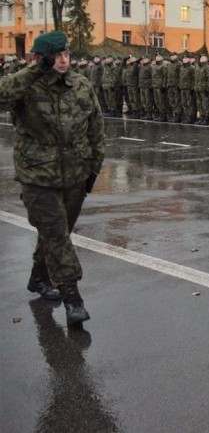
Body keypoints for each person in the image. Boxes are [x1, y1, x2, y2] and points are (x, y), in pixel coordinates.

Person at [0, 31, 105, 325]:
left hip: (74, 174)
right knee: (57, 233)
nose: (63, 60)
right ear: (40, 57)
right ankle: (73, 298)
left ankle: (38, 277)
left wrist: (94, 166)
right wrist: (36, 69)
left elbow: (96, 128)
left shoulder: (81, 85)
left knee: (58, 233)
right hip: (37, 176)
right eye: (56, 55)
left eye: (66, 54)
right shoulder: (26, 85)